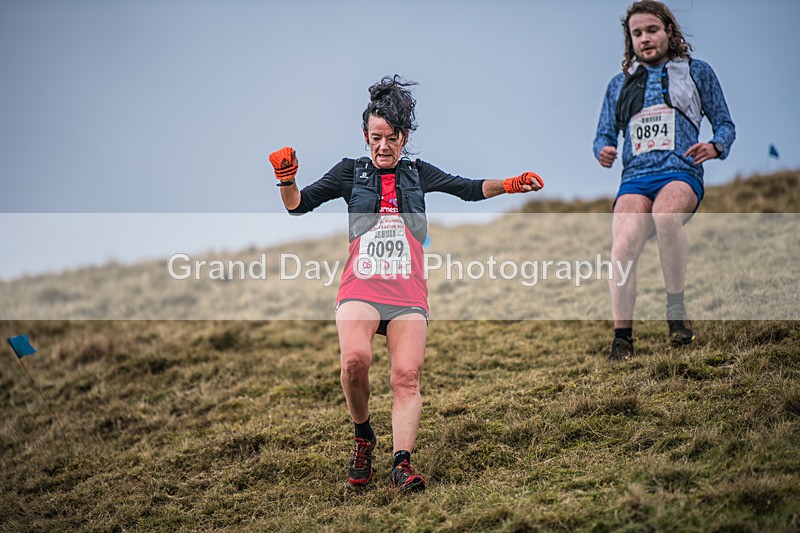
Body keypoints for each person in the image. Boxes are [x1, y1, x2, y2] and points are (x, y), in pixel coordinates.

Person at [268, 75, 543, 491]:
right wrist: (286, 179)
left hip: (407, 295)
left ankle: (402, 463)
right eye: (376, 137)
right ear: (365, 136)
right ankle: (364, 437)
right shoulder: (348, 172)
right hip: (360, 289)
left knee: (407, 376)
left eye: (392, 137)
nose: (383, 146)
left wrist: (510, 185)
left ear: (404, 137)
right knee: (354, 361)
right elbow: (297, 205)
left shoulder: (418, 173)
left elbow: (467, 189)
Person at [593, 0, 735, 361]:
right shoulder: (619, 84)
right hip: (635, 179)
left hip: (680, 172)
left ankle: (676, 311)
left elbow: (724, 123)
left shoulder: (697, 71)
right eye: (637, 33)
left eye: (652, 30)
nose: (645, 38)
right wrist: (604, 150)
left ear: (670, 32)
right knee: (622, 246)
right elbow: (603, 134)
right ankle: (622, 339)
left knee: (666, 217)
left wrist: (716, 146)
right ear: (630, 40)